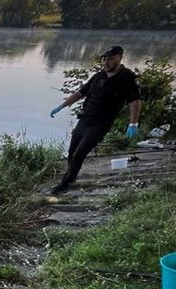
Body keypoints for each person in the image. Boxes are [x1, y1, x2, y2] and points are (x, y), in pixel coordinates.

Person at [49, 45, 141, 194]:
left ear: (120, 57)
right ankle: (71, 178)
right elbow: (80, 93)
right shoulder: (99, 76)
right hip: (85, 120)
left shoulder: (128, 78)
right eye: (105, 59)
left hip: (101, 124)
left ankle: (64, 185)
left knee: (80, 153)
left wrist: (133, 123)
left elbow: (134, 101)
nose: (106, 63)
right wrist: (61, 106)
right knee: (72, 152)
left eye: (110, 59)